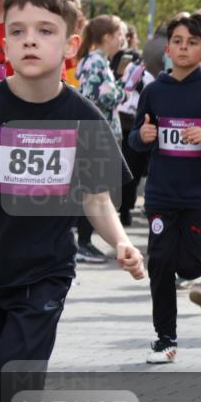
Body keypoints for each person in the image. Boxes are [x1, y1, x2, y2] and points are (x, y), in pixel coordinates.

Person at [0, 0, 145, 402]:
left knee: (15, 384)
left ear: (70, 45)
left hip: (40, 278)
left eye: (44, 32)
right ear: (4, 41)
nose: (29, 41)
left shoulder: (83, 118)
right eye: (16, 31)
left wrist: (119, 241)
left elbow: (96, 198)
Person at [128, 12, 201, 362]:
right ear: (168, 48)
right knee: (161, 264)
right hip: (162, 193)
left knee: (190, 267)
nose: (183, 48)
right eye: (178, 42)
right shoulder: (152, 91)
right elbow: (136, 138)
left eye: (192, 43)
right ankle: (166, 340)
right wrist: (142, 136)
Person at [74, 14, 129, 262]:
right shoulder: (95, 62)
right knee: (95, 190)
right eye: (120, 35)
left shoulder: (99, 61)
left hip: (101, 132)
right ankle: (83, 242)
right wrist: (125, 89)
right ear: (107, 36)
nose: (123, 40)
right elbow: (99, 97)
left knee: (99, 189)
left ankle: (86, 240)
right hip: (95, 134)